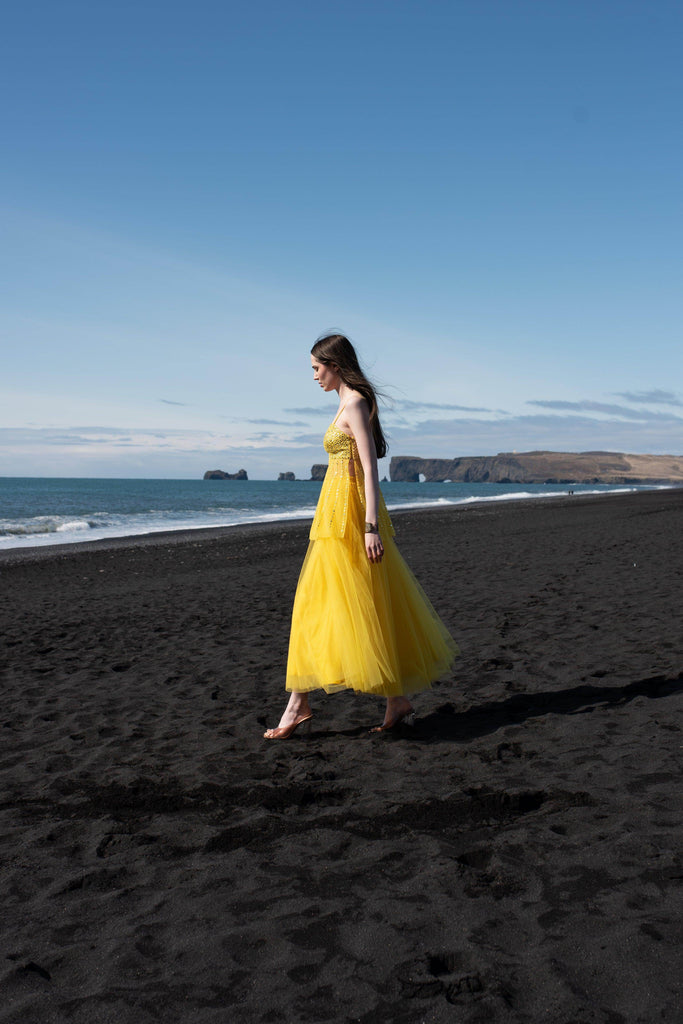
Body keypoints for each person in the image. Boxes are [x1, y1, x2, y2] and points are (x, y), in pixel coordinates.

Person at [264, 333, 457, 739]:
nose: (314, 376)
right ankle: (392, 699)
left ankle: (300, 704)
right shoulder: (344, 403)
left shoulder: (354, 403)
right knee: (333, 604)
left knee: (342, 604)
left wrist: (371, 528)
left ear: (335, 365)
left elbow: (371, 470)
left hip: (352, 521)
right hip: (333, 518)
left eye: (317, 368)